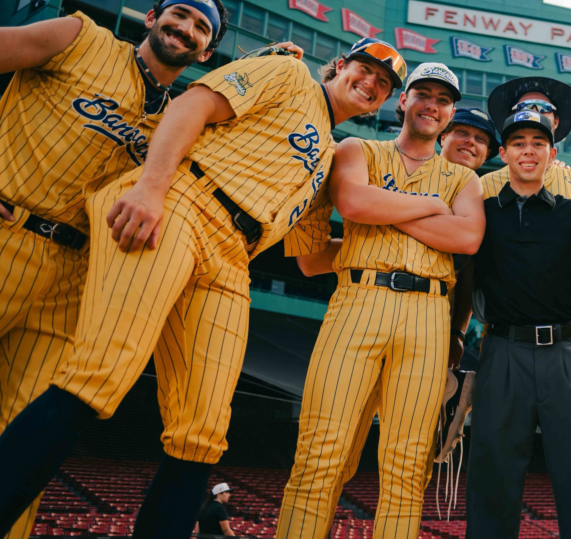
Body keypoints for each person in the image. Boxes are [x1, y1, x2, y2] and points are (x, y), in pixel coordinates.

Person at [0, 36, 401, 538]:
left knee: (204, 431)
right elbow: (194, 105)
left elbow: (311, 258)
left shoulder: (327, 159)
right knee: (99, 373)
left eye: (383, 84)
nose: (371, 83)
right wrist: (151, 185)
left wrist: (402, 244)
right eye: (365, 70)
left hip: (234, 256)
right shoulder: (289, 73)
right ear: (339, 67)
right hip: (184, 202)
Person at [0, 0, 228, 539]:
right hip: (9, 231)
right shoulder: (80, 37)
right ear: (151, 17)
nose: (187, 28)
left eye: (202, 29)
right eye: (179, 15)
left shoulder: (179, 117)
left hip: (75, 279)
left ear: (205, 54)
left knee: (20, 441)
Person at [277, 63, 485, 539]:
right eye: (422, 94)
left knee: (407, 464)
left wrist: (381, 210)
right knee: (320, 451)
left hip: (429, 314)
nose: (432, 104)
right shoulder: (357, 149)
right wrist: (433, 208)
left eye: (443, 99)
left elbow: (468, 237)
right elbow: (352, 204)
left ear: (450, 113)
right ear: (402, 101)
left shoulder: (463, 179)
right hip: (358, 300)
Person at [465, 110, 571, 539]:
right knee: (492, 471)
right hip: (502, 350)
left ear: (552, 153)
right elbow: (463, 279)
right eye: (518, 143)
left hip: (567, 349)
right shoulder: (482, 211)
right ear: (503, 154)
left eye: (538, 142)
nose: (528, 150)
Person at [482, 76, 571, 370]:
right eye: (524, 106)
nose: (535, 110)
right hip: (505, 329)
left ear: (557, 120)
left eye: (543, 106)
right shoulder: (483, 186)